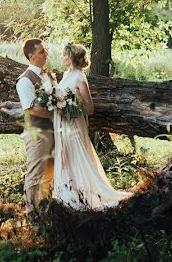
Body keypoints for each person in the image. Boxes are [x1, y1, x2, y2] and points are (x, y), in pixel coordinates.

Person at [52, 42, 132, 210]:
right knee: (66, 155)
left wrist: (69, 106)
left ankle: (84, 192)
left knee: (76, 156)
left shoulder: (79, 77)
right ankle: (67, 192)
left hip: (74, 124)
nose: (62, 57)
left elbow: (89, 107)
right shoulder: (66, 74)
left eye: (65, 55)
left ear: (72, 57)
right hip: (62, 124)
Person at [15, 38, 57, 217]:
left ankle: (45, 207)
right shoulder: (24, 81)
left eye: (45, 50)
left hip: (54, 131)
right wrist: (56, 110)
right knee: (35, 172)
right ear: (31, 56)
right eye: (41, 51)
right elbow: (32, 109)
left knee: (51, 170)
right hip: (37, 134)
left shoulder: (48, 75)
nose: (45, 53)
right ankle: (31, 211)